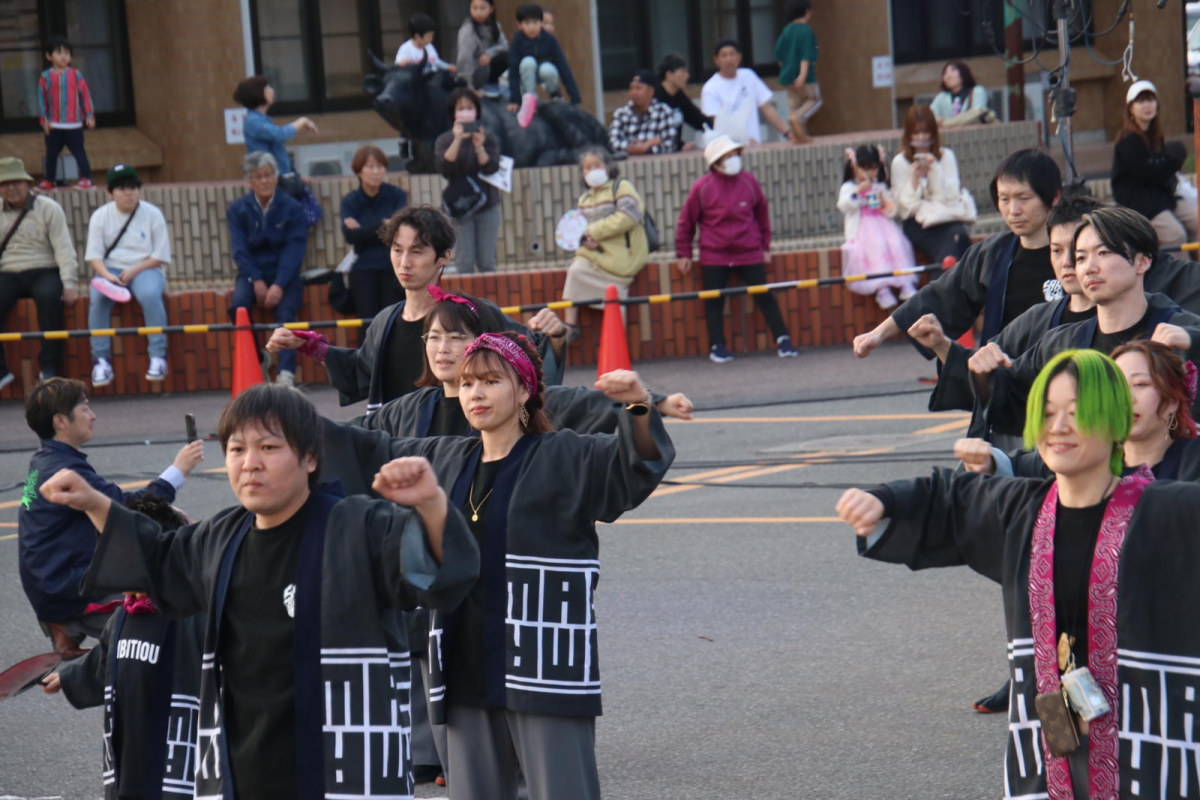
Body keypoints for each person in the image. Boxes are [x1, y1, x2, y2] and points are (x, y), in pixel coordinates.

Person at [39, 383, 481, 799]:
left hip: (341, 767)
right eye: (236, 449)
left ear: (310, 458)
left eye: (268, 447)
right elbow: (156, 561)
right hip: (241, 763)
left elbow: (440, 576)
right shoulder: (220, 538)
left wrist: (430, 504)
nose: (249, 462)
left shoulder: (358, 526)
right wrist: (94, 502)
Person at [319, 332, 675, 800]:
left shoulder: (566, 455)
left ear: (524, 389)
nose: (476, 394)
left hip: (542, 664)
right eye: (467, 384)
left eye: (490, 381)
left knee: (561, 789)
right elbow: (369, 448)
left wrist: (639, 408)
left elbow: (635, 465)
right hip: (462, 660)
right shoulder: (444, 457)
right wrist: (291, 421)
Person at [837, 348, 1200, 798]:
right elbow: (949, 498)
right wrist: (884, 501)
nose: (1059, 426)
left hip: (1150, 744)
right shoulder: (1021, 511)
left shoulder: (1171, 512)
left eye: (1077, 412)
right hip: (1052, 724)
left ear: (1115, 420)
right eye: (1047, 412)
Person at [268, 205, 567, 410]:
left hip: (460, 446)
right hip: (399, 447)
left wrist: (555, 335)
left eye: (417, 251)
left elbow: (533, 360)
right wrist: (311, 347)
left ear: (443, 257)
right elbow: (362, 373)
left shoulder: (471, 314)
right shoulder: (386, 321)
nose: (404, 262)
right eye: (397, 250)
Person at [973, 206, 1200, 439]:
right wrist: (985, 372)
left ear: (1142, 262)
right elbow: (1013, 401)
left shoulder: (1180, 331)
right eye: (1081, 257)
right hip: (1091, 471)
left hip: (1178, 470)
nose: (1089, 267)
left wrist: (1194, 341)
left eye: (1102, 253)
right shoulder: (1059, 343)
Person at [356, 286, 696, 441]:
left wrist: (655, 401)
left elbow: (582, 403)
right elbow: (352, 436)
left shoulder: (517, 403)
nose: (442, 348)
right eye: (433, 337)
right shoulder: (409, 410)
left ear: (483, 341)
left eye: (456, 337)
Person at [18, 377, 203, 658]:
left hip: (49, 581)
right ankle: (78, 625)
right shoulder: (65, 469)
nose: (92, 415)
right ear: (61, 421)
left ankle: (63, 625)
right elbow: (129, 509)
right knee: (171, 608)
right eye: (85, 409)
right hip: (71, 587)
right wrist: (178, 471)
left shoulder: (43, 461)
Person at [42, 496, 207, 800]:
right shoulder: (122, 615)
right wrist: (69, 677)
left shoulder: (194, 615)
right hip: (130, 754)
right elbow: (105, 660)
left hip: (177, 764)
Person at [854, 148, 1061, 364]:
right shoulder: (993, 252)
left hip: (1065, 377)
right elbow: (940, 295)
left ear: (1054, 196)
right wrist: (878, 333)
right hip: (1005, 379)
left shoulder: (1078, 254)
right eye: (1004, 199)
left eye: (1024, 198)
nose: (1013, 210)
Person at [958, 340, 1200, 482]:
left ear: (1173, 399)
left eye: (1140, 385)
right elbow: (1016, 468)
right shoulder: (1088, 452)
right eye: (1116, 386)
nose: (1126, 398)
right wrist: (986, 462)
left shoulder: (1193, 460)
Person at [675, 135, 799, 363]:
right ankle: (717, 345)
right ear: (716, 162)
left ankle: (783, 339)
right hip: (714, 254)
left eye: (735, 154)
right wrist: (684, 253)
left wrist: (765, 246)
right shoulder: (702, 187)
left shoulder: (749, 181)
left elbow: (762, 214)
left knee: (764, 295)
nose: (734, 159)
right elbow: (686, 221)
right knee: (714, 301)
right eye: (728, 156)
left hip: (749, 251)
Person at [86, 164, 173, 386]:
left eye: (132, 187)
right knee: (97, 300)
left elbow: (161, 256)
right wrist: (108, 275)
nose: (128, 193)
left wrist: (135, 270)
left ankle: (158, 356)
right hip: (111, 270)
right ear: (110, 193)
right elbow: (94, 258)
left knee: (149, 294)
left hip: (147, 268)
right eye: (122, 188)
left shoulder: (153, 213)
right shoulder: (100, 216)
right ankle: (101, 361)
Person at [228, 152, 309, 387]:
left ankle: (286, 374)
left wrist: (279, 284)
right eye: (258, 177)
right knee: (239, 306)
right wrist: (256, 279)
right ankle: (257, 357)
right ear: (249, 182)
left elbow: (295, 249)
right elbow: (239, 250)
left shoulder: (292, 207)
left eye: (268, 175)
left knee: (286, 315)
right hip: (253, 273)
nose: (264, 181)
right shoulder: (238, 209)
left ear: (275, 177)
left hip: (285, 273)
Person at [0, 156, 78, 388]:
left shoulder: (49, 208)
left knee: (50, 298)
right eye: (4, 184)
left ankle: (50, 367)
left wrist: (70, 282)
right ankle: (1, 371)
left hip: (44, 268)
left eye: (16, 182)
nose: (11, 188)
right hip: (8, 271)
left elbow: (63, 247)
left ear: (27, 183)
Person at [560, 147, 649, 336]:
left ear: (607, 168)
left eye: (596, 165)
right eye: (587, 168)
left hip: (622, 257)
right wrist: (584, 241)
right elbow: (579, 231)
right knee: (575, 271)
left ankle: (617, 343)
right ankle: (570, 327)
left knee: (613, 298)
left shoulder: (621, 187)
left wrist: (592, 232)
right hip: (594, 255)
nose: (592, 171)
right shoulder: (584, 198)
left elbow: (628, 216)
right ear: (582, 173)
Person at [1111, 80, 1198, 251]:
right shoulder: (1127, 140)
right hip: (1140, 204)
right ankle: (1178, 276)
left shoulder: (1155, 136)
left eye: (1150, 99)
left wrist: (1171, 159)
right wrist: (1175, 158)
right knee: (1175, 235)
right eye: (1141, 101)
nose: (1147, 105)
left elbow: (1162, 169)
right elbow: (1151, 172)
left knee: (1197, 220)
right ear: (1131, 108)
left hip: (1163, 197)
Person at [886, 105, 974, 265]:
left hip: (946, 217)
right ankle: (948, 284)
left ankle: (943, 283)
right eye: (916, 133)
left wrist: (935, 170)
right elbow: (905, 208)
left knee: (957, 236)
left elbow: (951, 196)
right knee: (953, 243)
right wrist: (914, 178)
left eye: (926, 132)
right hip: (918, 224)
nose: (921, 138)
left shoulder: (946, 156)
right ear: (908, 135)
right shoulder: (900, 162)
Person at [837, 144, 918, 311]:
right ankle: (882, 288)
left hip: (883, 224)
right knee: (877, 244)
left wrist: (883, 202)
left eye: (873, 169)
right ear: (854, 166)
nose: (870, 173)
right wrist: (858, 192)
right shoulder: (849, 187)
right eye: (865, 168)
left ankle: (906, 283)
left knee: (896, 242)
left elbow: (892, 210)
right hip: (862, 228)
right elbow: (844, 206)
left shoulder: (880, 186)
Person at [435, 88, 502, 274]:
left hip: (487, 203)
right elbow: (444, 168)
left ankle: (487, 303)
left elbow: (492, 167)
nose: (465, 112)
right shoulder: (444, 139)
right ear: (453, 113)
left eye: (470, 108)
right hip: (459, 206)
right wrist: (457, 140)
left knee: (487, 263)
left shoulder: (487, 137)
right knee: (464, 264)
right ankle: (466, 303)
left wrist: (479, 146)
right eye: (461, 109)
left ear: (477, 111)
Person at [339, 144, 409, 323]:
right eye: (370, 166)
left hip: (392, 266)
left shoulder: (397, 195)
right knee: (368, 322)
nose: (376, 171)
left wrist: (364, 230)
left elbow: (397, 229)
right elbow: (351, 236)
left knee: (394, 320)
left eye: (380, 166)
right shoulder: (350, 201)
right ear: (358, 171)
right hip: (363, 268)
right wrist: (382, 224)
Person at [700, 39, 792, 146]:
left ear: (739, 57)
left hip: (754, 144)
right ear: (716, 60)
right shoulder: (710, 88)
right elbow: (716, 122)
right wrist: (742, 139)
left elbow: (767, 108)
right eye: (724, 55)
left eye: (732, 54)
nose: (729, 59)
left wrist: (788, 134)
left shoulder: (749, 76)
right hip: (727, 150)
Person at [506, 3, 581, 128]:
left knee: (547, 69)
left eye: (535, 23)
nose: (532, 27)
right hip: (526, 75)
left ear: (541, 23)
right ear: (519, 25)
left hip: (543, 73)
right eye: (527, 23)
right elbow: (513, 71)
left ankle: (555, 95)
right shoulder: (517, 42)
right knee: (528, 62)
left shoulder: (549, 40)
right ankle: (529, 99)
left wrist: (574, 97)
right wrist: (514, 99)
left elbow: (563, 67)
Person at [231, 75, 319, 180]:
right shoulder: (253, 121)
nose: (272, 90)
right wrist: (302, 121)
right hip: (267, 181)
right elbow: (280, 134)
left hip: (278, 180)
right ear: (258, 93)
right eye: (267, 87)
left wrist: (294, 176)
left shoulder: (262, 120)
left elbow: (278, 153)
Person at [37, 36, 94, 191]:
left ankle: (86, 179)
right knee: (51, 154)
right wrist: (44, 120)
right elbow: (41, 99)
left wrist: (89, 115)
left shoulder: (76, 75)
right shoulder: (45, 77)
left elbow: (85, 95)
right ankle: (49, 180)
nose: (64, 57)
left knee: (79, 152)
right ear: (49, 56)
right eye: (59, 53)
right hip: (54, 124)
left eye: (67, 53)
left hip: (74, 123)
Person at [774, 0, 821, 143]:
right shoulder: (806, 31)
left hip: (787, 76)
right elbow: (806, 56)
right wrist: (802, 75)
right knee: (814, 100)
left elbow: (778, 55)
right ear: (807, 12)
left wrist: (788, 70)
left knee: (794, 104)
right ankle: (798, 119)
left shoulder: (786, 30)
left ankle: (797, 136)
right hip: (804, 77)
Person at [608, 70, 684, 157]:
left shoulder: (663, 111)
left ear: (651, 92)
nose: (634, 92)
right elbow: (612, 143)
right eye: (631, 88)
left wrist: (646, 148)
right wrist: (646, 144)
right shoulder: (620, 114)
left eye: (638, 88)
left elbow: (671, 145)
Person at [655, 53, 713, 145]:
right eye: (683, 72)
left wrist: (718, 126)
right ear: (669, 75)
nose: (687, 76)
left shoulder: (679, 97)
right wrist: (681, 145)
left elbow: (697, 119)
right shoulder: (655, 98)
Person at [456, 0, 508, 91]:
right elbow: (464, 59)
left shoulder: (495, 25)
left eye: (482, 8)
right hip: (475, 71)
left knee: (509, 56)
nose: (478, 12)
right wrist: (468, 86)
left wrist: (488, 54)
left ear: (491, 9)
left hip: (490, 66)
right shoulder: (468, 30)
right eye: (474, 8)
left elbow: (504, 46)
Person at [930, 61, 993, 127]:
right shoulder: (942, 97)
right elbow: (931, 115)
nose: (948, 75)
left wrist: (945, 123)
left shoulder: (977, 91)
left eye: (953, 70)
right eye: (945, 73)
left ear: (963, 73)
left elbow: (978, 113)